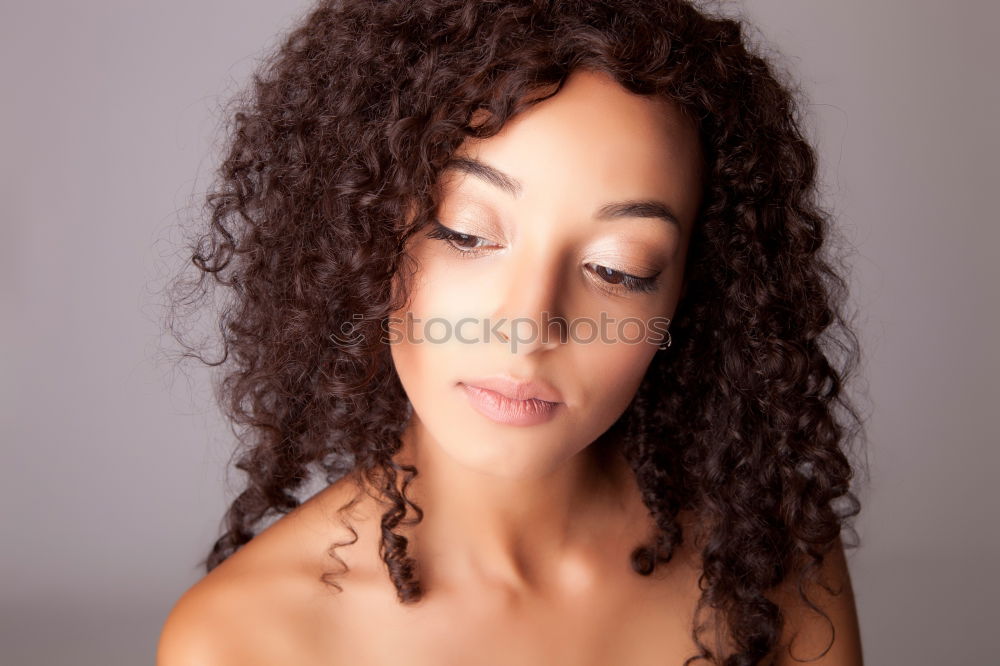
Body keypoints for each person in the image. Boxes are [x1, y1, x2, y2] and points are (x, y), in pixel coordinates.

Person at [157, 1, 866, 664]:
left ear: (691, 295)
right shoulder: (238, 642)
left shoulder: (770, 567)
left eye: (619, 269)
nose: (529, 327)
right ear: (368, 232)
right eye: (467, 235)